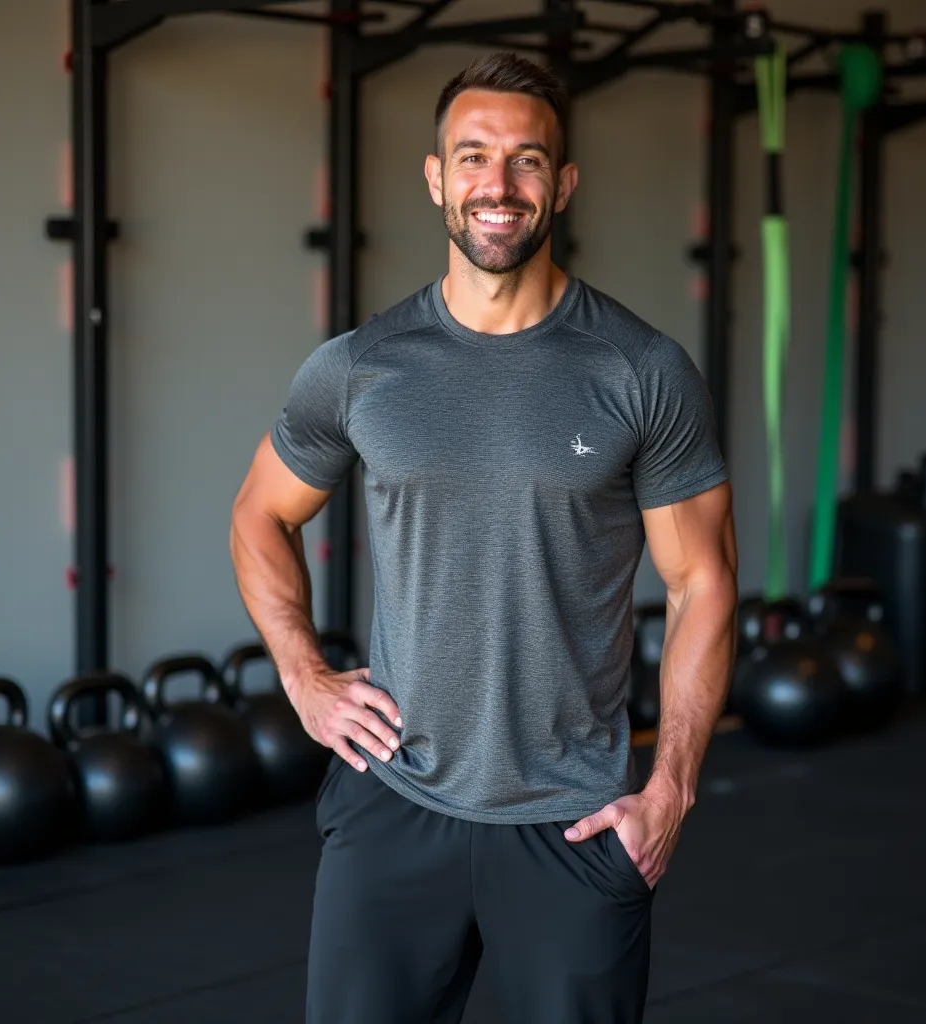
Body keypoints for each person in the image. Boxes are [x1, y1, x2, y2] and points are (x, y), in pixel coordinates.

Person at [230, 50, 737, 1024]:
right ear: (436, 179)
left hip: (573, 820)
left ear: (564, 183)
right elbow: (261, 512)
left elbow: (702, 580)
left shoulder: (640, 370)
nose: (497, 185)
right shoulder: (361, 366)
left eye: (526, 160)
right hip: (393, 803)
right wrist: (302, 675)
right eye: (472, 157)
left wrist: (671, 788)